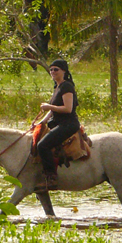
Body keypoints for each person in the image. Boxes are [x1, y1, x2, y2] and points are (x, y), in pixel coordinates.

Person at [36, 59, 80, 190]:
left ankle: (51, 178)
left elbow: (68, 109)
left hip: (68, 124)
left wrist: (49, 106)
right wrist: (41, 122)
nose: (53, 72)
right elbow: (52, 111)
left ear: (64, 71)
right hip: (58, 123)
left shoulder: (66, 86)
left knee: (42, 145)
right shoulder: (57, 87)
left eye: (56, 69)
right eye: (51, 69)